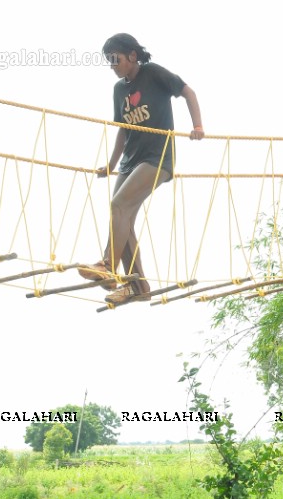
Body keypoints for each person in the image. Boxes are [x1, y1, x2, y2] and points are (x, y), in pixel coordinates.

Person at [78, 34, 204, 304]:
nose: (112, 65)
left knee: (118, 205)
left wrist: (197, 126)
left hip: (157, 159)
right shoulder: (119, 90)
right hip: (130, 161)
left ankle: (107, 264)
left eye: (116, 59)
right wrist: (111, 166)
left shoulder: (153, 73)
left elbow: (187, 92)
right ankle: (138, 286)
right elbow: (124, 130)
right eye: (109, 61)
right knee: (122, 219)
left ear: (132, 55)